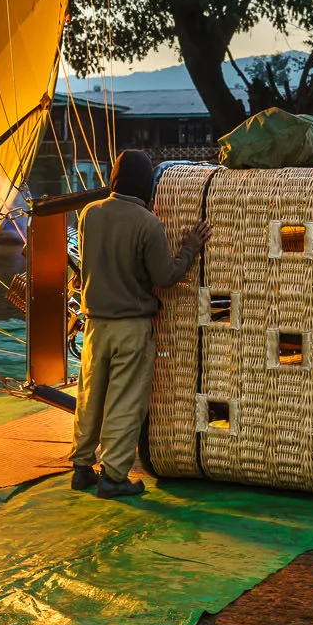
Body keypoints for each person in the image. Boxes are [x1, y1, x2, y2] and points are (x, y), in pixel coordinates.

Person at [71, 149, 209, 499]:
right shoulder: (147, 222)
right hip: (130, 327)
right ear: (146, 183)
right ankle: (114, 477)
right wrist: (189, 249)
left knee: (90, 396)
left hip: (94, 325)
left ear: (114, 178)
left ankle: (82, 468)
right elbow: (165, 276)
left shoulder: (89, 213)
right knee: (125, 400)